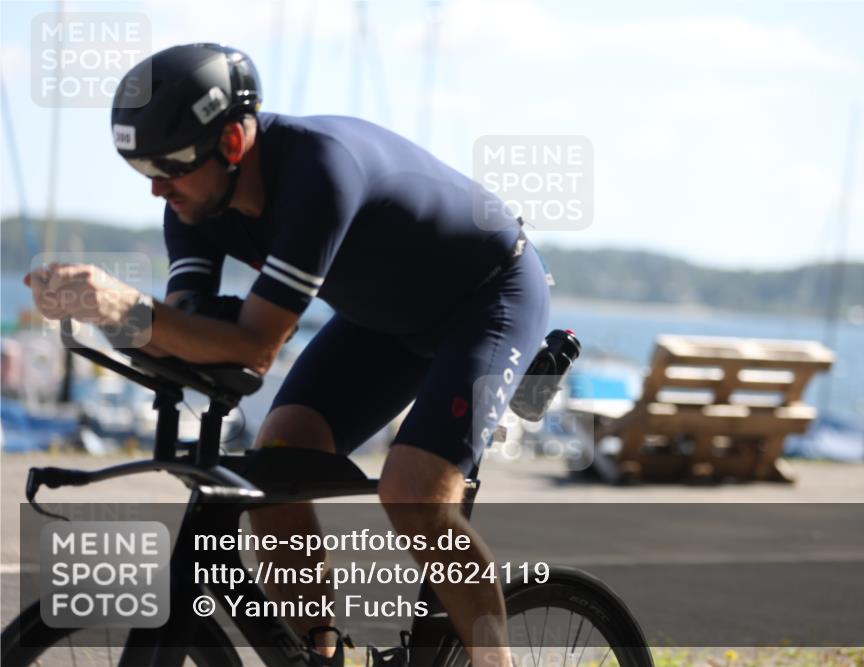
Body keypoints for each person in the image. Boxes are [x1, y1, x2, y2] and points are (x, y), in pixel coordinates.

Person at [25, 42, 550, 667]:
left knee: (412, 489)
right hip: (383, 322)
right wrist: (105, 315)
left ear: (233, 145)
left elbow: (252, 349)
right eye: (143, 169)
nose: (157, 189)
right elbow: (186, 334)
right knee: (276, 468)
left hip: (489, 298)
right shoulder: (193, 205)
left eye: (168, 165)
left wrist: (128, 311)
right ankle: (318, 654)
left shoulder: (319, 174)